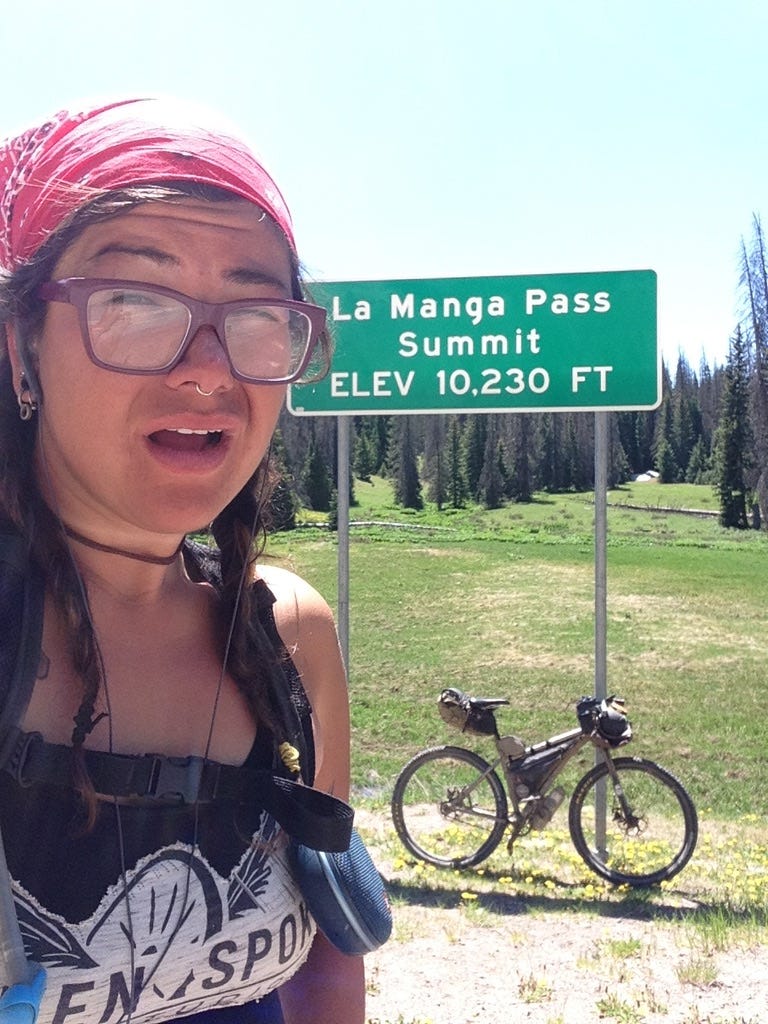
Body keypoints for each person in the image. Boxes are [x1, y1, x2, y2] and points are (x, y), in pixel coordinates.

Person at [0, 98, 365, 1024]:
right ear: (21, 345)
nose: (209, 370)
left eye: (256, 314)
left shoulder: (287, 639)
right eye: (134, 301)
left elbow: (329, 956)